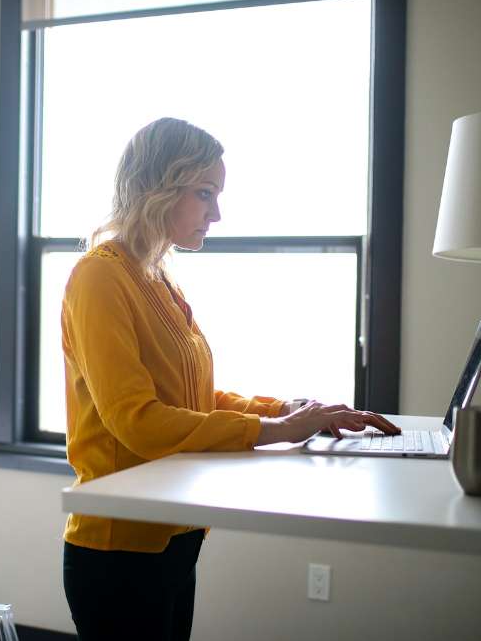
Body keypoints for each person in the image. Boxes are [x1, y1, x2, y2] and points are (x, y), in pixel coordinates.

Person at [60, 117, 399, 641]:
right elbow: (138, 421)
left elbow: (195, 398)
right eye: (204, 193)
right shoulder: (99, 277)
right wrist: (270, 433)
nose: (216, 212)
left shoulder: (156, 277)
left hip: (176, 533)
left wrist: (283, 410)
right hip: (119, 547)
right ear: (158, 187)